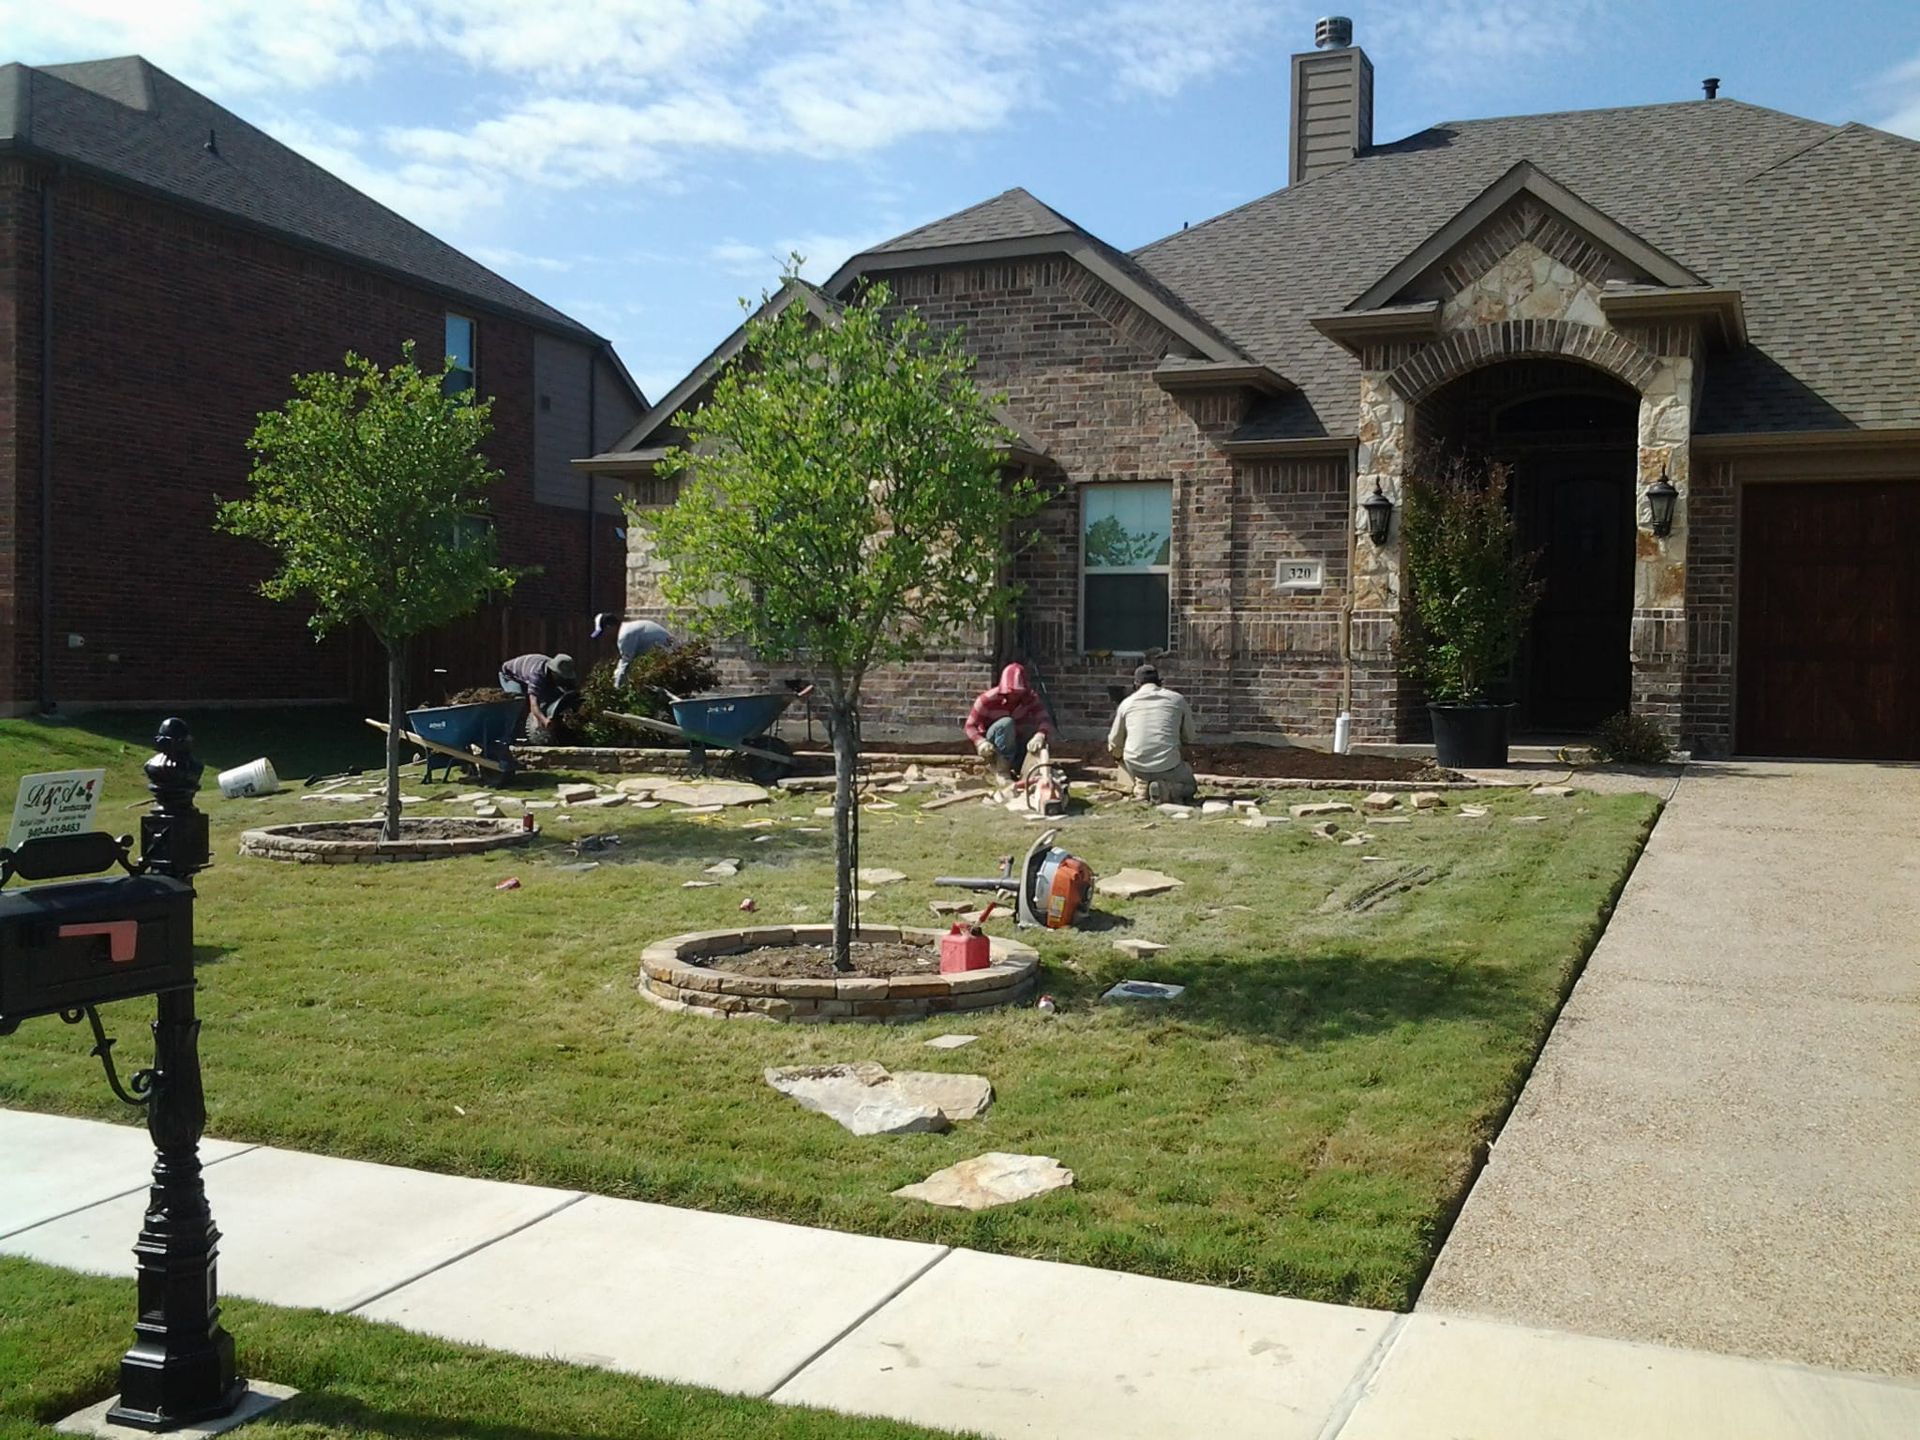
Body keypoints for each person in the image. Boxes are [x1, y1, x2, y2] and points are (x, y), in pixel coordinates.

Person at [1108, 664, 1197, 803]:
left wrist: (1120, 760)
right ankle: (1167, 789)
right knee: (1190, 786)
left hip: (1136, 766)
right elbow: (1190, 736)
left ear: (1136, 684)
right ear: (1160, 682)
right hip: (1168, 765)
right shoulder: (1177, 700)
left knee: (1128, 759)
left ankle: (1142, 786)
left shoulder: (1126, 703)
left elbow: (1114, 742)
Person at [963, 663, 1054, 783]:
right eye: (1012, 691)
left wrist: (1040, 735)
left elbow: (1045, 719)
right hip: (993, 747)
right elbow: (970, 726)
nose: (1015, 695)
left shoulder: (1030, 698)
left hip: (1018, 742)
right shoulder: (987, 700)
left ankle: (1027, 773)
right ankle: (1002, 771)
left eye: (1019, 692)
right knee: (1007, 723)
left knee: (1038, 743)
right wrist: (980, 742)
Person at [499, 652, 579, 742]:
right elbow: (533, 704)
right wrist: (544, 720)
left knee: (553, 694)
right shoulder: (537, 675)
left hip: (529, 673)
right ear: (553, 671)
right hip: (510, 675)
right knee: (517, 701)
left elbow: (572, 691)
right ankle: (507, 736)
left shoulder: (562, 667)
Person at [592, 612, 676, 687]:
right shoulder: (628, 628)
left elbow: (625, 665)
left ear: (610, 627)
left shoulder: (625, 635)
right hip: (669, 655)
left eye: (603, 633)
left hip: (669, 657)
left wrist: (616, 688)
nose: (603, 638)